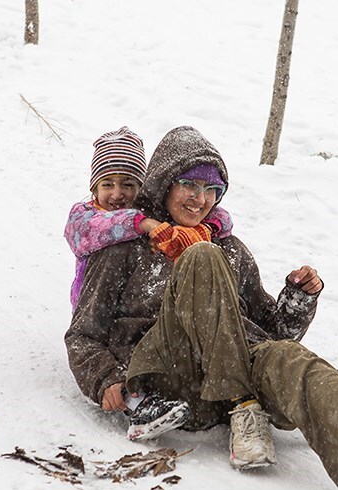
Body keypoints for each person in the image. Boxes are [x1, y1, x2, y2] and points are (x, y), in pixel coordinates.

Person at [65, 125, 338, 489]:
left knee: (286, 356)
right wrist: (105, 380)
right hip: (169, 378)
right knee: (202, 257)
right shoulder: (124, 248)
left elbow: (271, 331)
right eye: (190, 185)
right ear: (164, 183)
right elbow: (83, 334)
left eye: (212, 189)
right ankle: (244, 402)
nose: (201, 198)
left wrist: (298, 300)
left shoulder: (231, 248)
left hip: (217, 398)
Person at [64, 125, 233, 441]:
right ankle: (136, 403)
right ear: (94, 189)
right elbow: (92, 229)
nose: (118, 194)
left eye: (128, 184)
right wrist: (143, 223)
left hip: (136, 312)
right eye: (108, 184)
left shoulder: (154, 226)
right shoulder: (90, 221)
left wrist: (211, 223)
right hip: (98, 306)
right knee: (123, 351)